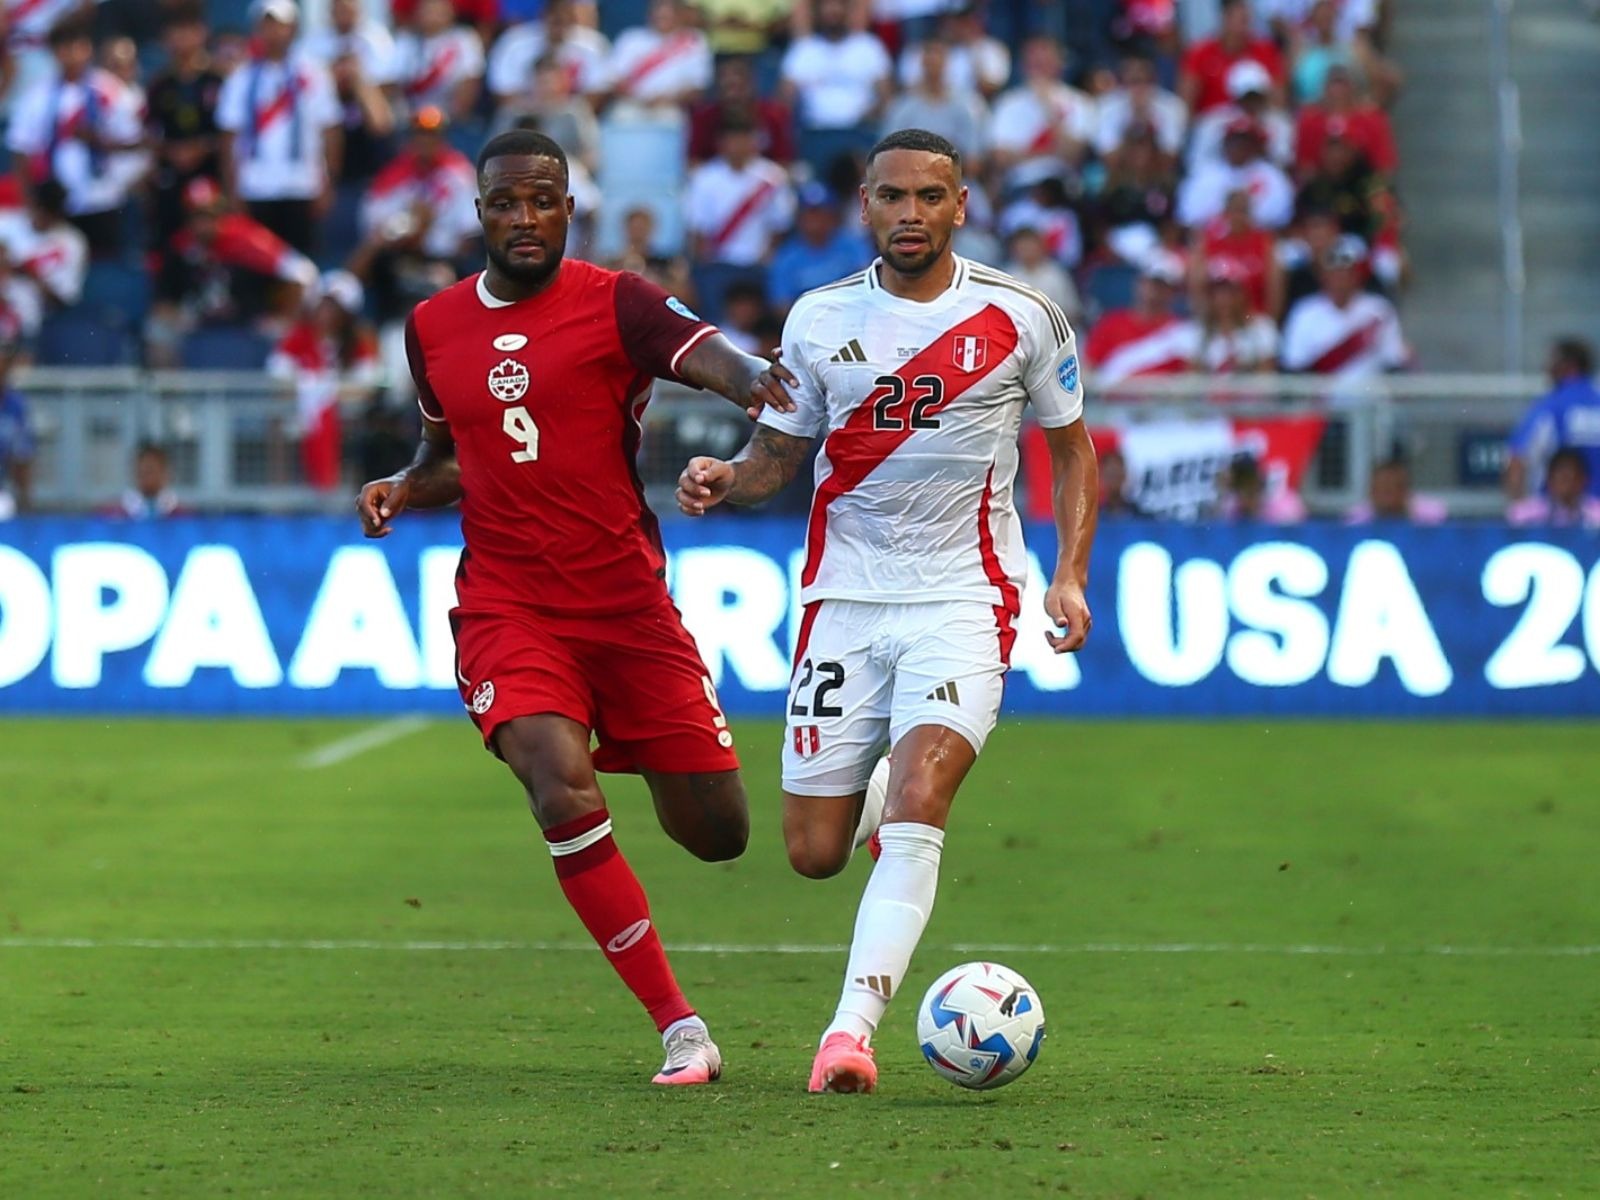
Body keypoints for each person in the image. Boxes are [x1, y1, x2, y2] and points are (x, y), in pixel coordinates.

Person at [354, 129, 799, 1087]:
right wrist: (402, 483)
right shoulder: (433, 324)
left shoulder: (619, 302)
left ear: (568, 208)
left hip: (627, 607)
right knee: (559, 786)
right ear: (480, 214)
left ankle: (841, 799)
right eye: (506, 203)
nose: (525, 219)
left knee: (717, 836)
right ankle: (681, 1028)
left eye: (542, 201)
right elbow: (449, 461)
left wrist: (757, 383)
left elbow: (712, 357)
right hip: (509, 604)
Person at [674, 129, 1097, 1094]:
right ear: (865, 206)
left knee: (922, 803)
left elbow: (1074, 452)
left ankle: (848, 1033)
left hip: (966, 594)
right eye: (893, 196)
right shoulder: (820, 318)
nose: (912, 213)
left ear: (961, 205)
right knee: (814, 853)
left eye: (930, 197)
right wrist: (725, 478)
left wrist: (1067, 576)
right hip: (844, 602)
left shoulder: (1024, 315)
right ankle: (865, 805)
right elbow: (778, 457)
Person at [6, 15, 146, 257]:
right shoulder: (37, 97)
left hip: (102, 197)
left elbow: (136, 142)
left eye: (77, 47)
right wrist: (31, 202)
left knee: (104, 268)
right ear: (53, 52)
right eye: (64, 48)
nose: (71, 55)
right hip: (55, 201)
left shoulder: (110, 90)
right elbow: (20, 151)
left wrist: (99, 141)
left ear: (88, 49)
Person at [215, 0, 343, 257]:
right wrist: (232, 191)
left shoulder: (313, 74)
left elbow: (330, 131)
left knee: (301, 264)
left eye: (280, 26)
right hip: (255, 187)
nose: (274, 33)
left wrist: (329, 184)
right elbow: (229, 139)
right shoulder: (241, 78)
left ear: (293, 28)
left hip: (302, 185)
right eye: (267, 26)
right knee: (257, 266)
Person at [269, 270, 380, 491]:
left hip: (348, 417)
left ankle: (343, 494)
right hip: (300, 411)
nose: (326, 313)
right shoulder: (299, 336)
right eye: (323, 304)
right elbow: (277, 375)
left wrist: (328, 393)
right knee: (279, 424)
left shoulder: (359, 342)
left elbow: (367, 385)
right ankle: (279, 497)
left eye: (334, 307)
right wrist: (310, 391)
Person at [145, 2, 225, 252]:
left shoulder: (220, 79)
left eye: (189, 30)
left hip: (213, 173)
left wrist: (202, 148)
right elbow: (151, 134)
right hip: (173, 177)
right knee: (171, 243)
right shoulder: (159, 84)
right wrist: (171, 152)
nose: (182, 39)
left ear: (202, 32)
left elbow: (233, 134)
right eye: (176, 32)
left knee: (217, 240)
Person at [1280, 235, 1406, 379]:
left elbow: (1393, 361)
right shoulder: (1303, 311)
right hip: (1319, 400)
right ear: (1323, 276)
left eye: (1345, 270)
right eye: (1334, 270)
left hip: (1370, 399)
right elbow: (1294, 365)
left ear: (1356, 274)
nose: (1339, 278)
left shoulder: (1379, 309)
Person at [1505, 338, 1600, 501]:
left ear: (1568, 365)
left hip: (1554, 522)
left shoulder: (1551, 407)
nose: (1546, 368)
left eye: (1552, 361)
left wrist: (1518, 512)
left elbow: (1517, 460)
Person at [1084, 256, 1199, 386]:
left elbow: (1190, 378)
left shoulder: (1182, 331)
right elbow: (1089, 368)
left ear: (1172, 292)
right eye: (1152, 283)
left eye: (1162, 286)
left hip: (1164, 402)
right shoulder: (1110, 323)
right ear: (1139, 283)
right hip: (1112, 402)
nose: (1155, 290)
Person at [0, 180, 89, 339]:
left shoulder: (72, 243)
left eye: (46, 213)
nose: (39, 216)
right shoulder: (7, 223)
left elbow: (62, 301)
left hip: (29, 317)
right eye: (36, 209)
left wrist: (31, 275)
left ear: (58, 214)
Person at [766, 183, 872, 312]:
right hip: (807, 323)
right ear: (799, 218)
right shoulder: (786, 256)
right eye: (810, 214)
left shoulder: (853, 245)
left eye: (821, 213)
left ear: (833, 216)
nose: (815, 220)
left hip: (852, 315)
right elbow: (781, 304)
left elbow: (868, 286)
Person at [394, 0, 486, 124]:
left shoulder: (465, 40)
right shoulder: (405, 40)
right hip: (408, 118)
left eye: (439, 11)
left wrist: (451, 117)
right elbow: (393, 83)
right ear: (417, 13)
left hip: (450, 119)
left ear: (451, 13)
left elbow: (470, 82)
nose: (433, 15)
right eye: (428, 10)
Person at [1507, 448, 1600, 530]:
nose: (1566, 485)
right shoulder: (1526, 513)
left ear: (1583, 481)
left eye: (1571, 478)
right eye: (1562, 478)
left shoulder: (1595, 513)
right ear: (1549, 480)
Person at [1345, 456, 1447, 525]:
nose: (1386, 496)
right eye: (1381, 488)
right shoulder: (1355, 521)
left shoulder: (1432, 517)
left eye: (1391, 489)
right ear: (1371, 491)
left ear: (1405, 490)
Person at [105, 442, 185, 519]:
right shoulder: (118, 514)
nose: (145, 477)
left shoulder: (180, 515)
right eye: (141, 471)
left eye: (150, 471)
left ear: (165, 473)